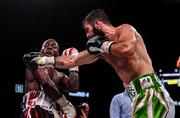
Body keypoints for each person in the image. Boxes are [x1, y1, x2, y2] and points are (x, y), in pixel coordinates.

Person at [24, 9, 175, 117]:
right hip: (137, 98)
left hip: (151, 94)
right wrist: (42, 61)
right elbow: (72, 60)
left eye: (87, 29)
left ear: (98, 24)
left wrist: (103, 46)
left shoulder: (124, 29)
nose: (87, 35)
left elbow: (127, 49)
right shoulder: (101, 50)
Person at [22, 39, 79, 118]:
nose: (49, 48)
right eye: (46, 46)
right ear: (41, 50)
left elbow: (73, 88)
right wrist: (64, 104)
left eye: (54, 46)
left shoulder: (60, 75)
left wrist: (74, 63)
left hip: (52, 111)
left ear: (58, 53)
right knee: (37, 109)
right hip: (34, 108)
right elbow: (46, 84)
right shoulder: (34, 62)